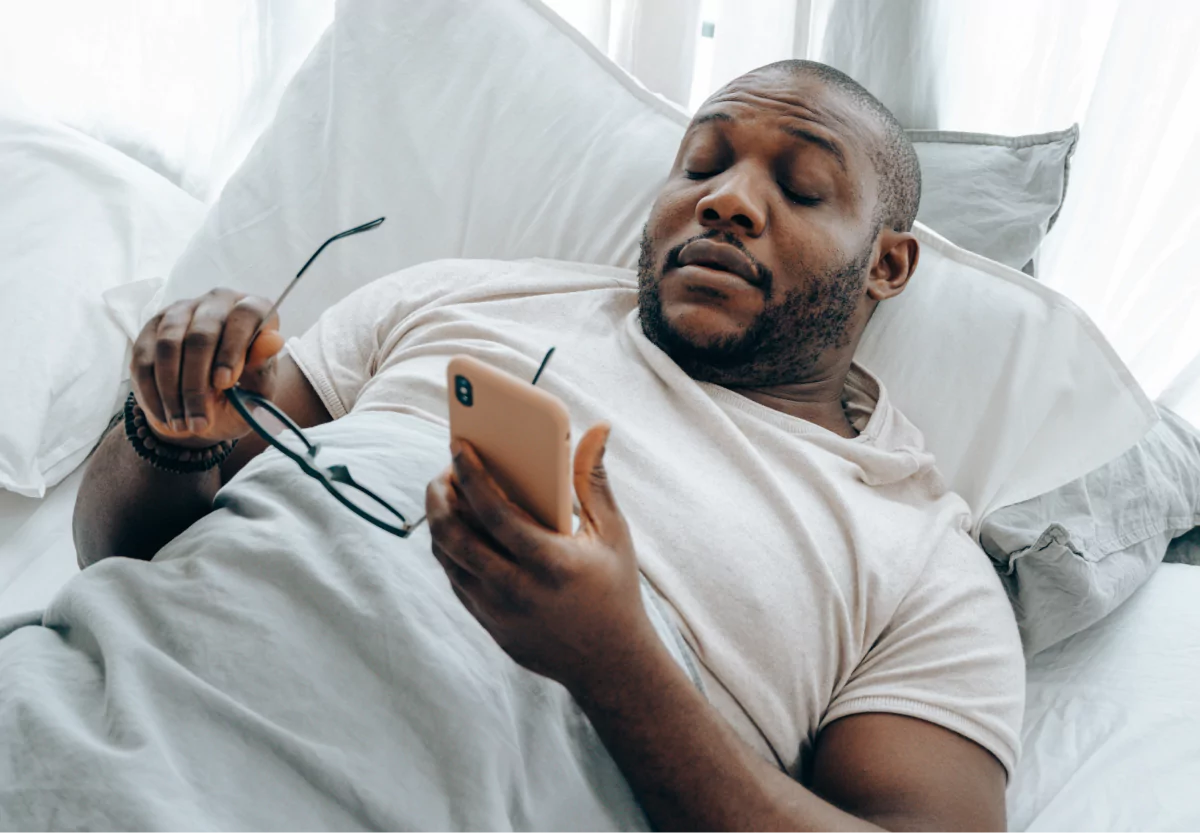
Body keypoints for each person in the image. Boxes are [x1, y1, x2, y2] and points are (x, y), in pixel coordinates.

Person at [39, 60, 1021, 832]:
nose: (727, 200)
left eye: (802, 187)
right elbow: (116, 545)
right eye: (701, 163)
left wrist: (616, 662)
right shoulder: (460, 296)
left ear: (887, 263)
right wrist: (164, 427)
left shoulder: (920, 560)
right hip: (71, 723)